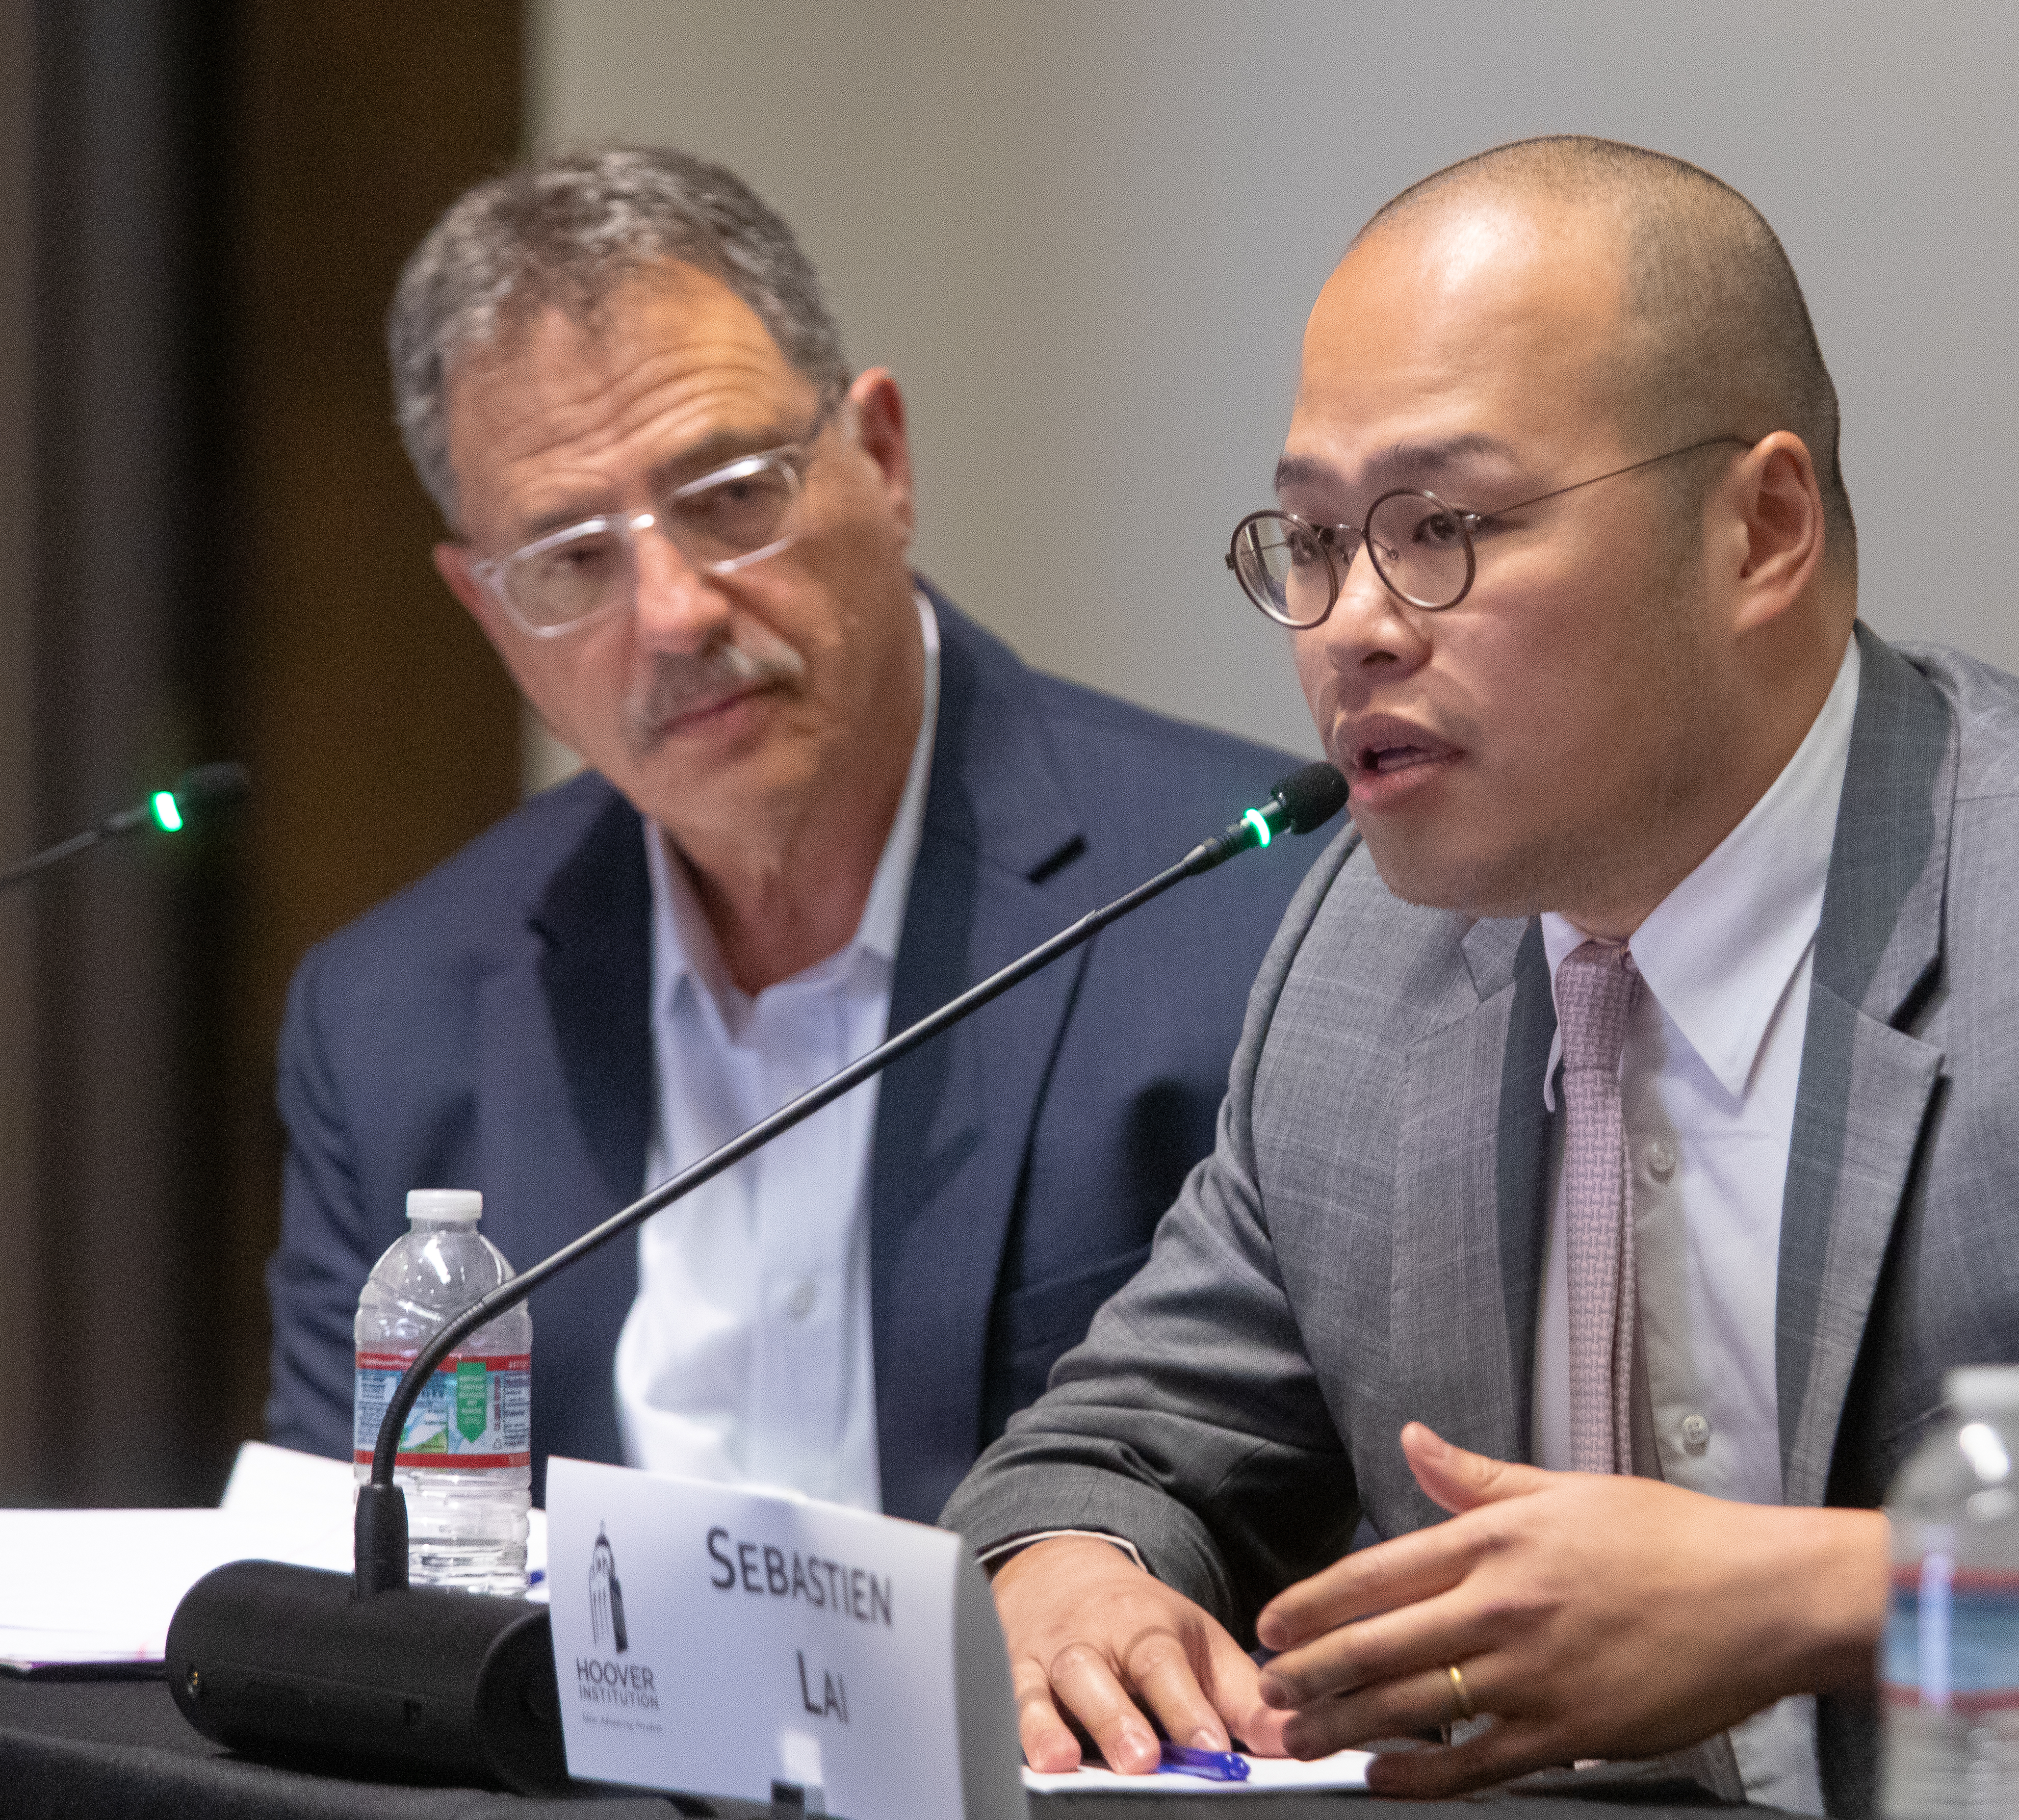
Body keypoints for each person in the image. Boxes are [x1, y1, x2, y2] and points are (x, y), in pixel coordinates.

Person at [945, 135, 2019, 1820]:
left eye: (1442, 526)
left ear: (1762, 529)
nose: (1351, 621)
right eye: (1306, 538)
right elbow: (1125, 1441)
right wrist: (1068, 1578)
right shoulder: (1364, 959)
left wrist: (1815, 1598)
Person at [262, 146, 1312, 1524]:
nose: (675, 612)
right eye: (572, 558)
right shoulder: (393, 1017)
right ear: (485, 608)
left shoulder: (1261, 913)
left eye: (730, 495)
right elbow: (342, 1589)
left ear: (880, 458)